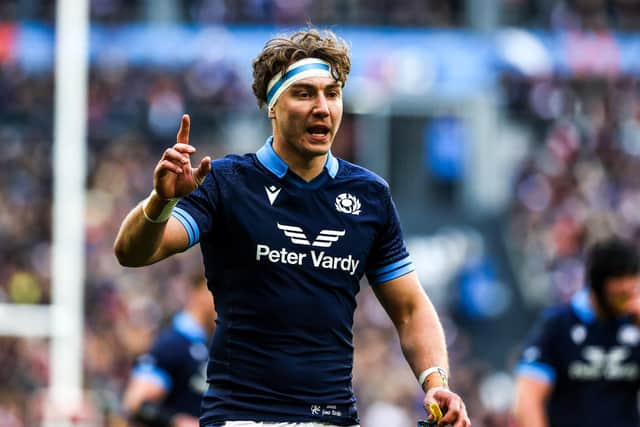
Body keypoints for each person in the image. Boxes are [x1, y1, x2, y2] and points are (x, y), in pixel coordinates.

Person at [114, 27, 470, 427]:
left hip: (331, 418)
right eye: (304, 93)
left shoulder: (370, 196)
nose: (322, 107)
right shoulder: (224, 182)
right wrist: (161, 201)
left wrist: (435, 382)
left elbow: (409, 308)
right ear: (272, 104)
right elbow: (133, 252)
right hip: (242, 418)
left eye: (331, 93)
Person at [512, 237, 640, 427]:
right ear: (598, 286)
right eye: (621, 294)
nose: (629, 299)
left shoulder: (634, 322)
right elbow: (528, 400)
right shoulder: (558, 325)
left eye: (634, 291)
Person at [123, 274, 216, 427]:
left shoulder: (212, 344)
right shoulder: (172, 343)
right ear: (198, 293)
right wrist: (178, 422)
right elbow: (136, 403)